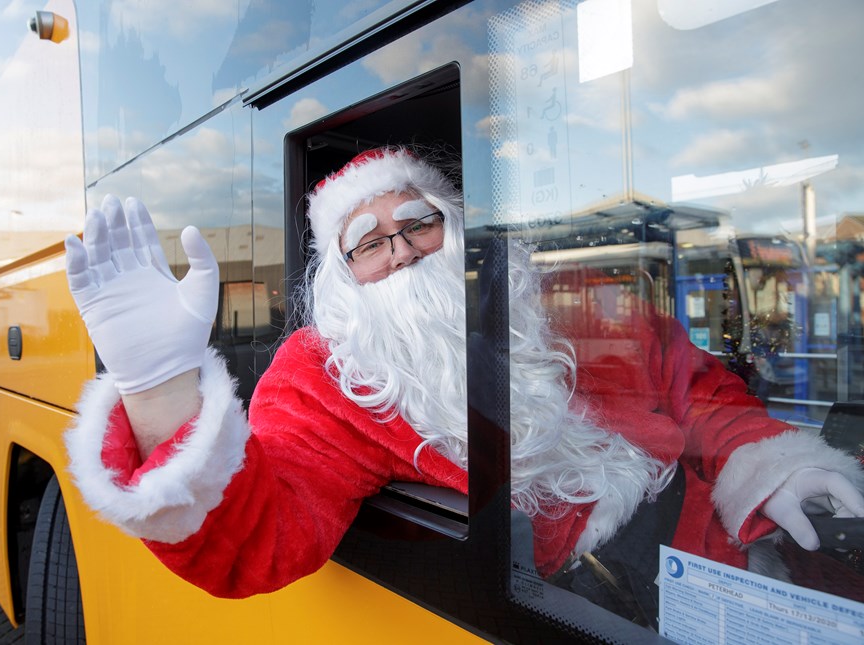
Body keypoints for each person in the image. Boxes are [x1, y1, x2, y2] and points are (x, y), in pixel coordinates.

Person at [63, 146, 864, 606]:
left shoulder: (565, 304)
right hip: (586, 604)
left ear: (456, 230)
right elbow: (259, 536)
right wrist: (160, 384)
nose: (402, 249)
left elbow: (697, 391)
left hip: (725, 557)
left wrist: (769, 460)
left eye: (418, 223)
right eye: (369, 243)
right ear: (343, 275)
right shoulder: (326, 371)